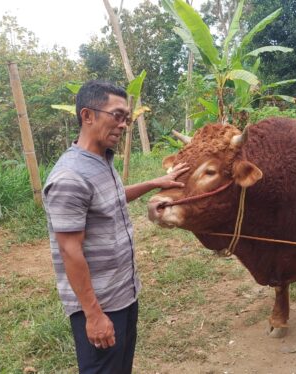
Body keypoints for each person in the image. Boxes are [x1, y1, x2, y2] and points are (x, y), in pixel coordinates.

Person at [42, 80, 189, 373]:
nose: (123, 125)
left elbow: (108, 199)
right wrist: (94, 315)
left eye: (127, 119)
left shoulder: (99, 160)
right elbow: (70, 251)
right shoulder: (70, 177)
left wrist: (152, 184)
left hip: (123, 292)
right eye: (117, 115)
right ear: (88, 115)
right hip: (100, 303)